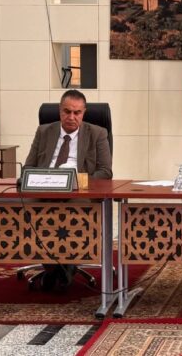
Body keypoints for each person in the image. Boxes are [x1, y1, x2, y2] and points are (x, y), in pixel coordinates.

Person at [24, 89, 112, 291]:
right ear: (59, 111)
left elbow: (105, 171)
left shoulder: (98, 133)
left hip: (78, 192)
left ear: (84, 113)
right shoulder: (44, 131)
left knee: (74, 212)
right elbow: (29, 166)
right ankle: (56, 268)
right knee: (28, 209)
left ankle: (60, 268)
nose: (71, 117)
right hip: (45, 190)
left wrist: (74, 181)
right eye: (67, 111)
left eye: (77, 112)